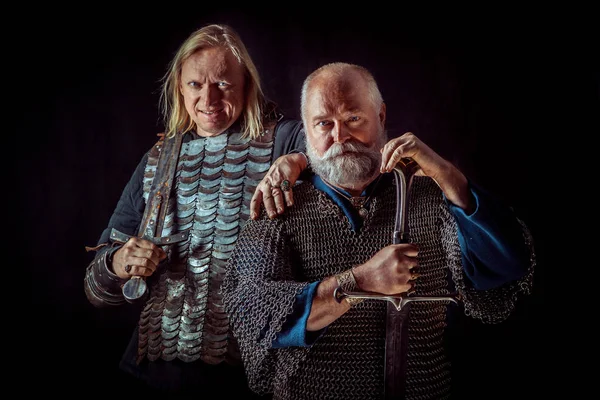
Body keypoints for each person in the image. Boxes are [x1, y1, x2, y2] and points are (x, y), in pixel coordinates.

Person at [222, 62, 536, 400]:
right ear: (308, 131)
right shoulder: (279, 205)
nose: (339, 137)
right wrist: (361, 281)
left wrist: (447, 174)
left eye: (353, 119)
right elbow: (252, 311)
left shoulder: (430, 199)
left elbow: (508, 266)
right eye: (324, 124)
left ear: (381, 116)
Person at [83, 23, 309, 398]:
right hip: (159, 367)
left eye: (223, 84)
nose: (209, 98)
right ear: (179, 87)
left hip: (253, 367)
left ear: (246, 86)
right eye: (195, 84)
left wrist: (298, 160)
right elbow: (96, 289)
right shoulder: (158, 158)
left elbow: (347, 160)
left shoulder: (284, 139)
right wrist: (119, 262)